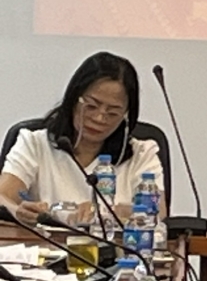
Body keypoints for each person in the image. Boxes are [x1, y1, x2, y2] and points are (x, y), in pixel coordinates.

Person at [0, 52, 163, 227]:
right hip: (46, 244)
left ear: (126, 115)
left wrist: (108, 212)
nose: (99, 118)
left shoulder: (142, 154)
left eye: (113, 113)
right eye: (91, 106)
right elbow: (3, 198)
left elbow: (159, 213)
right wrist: (17, 211)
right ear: (73, 100)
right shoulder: (34, 144)